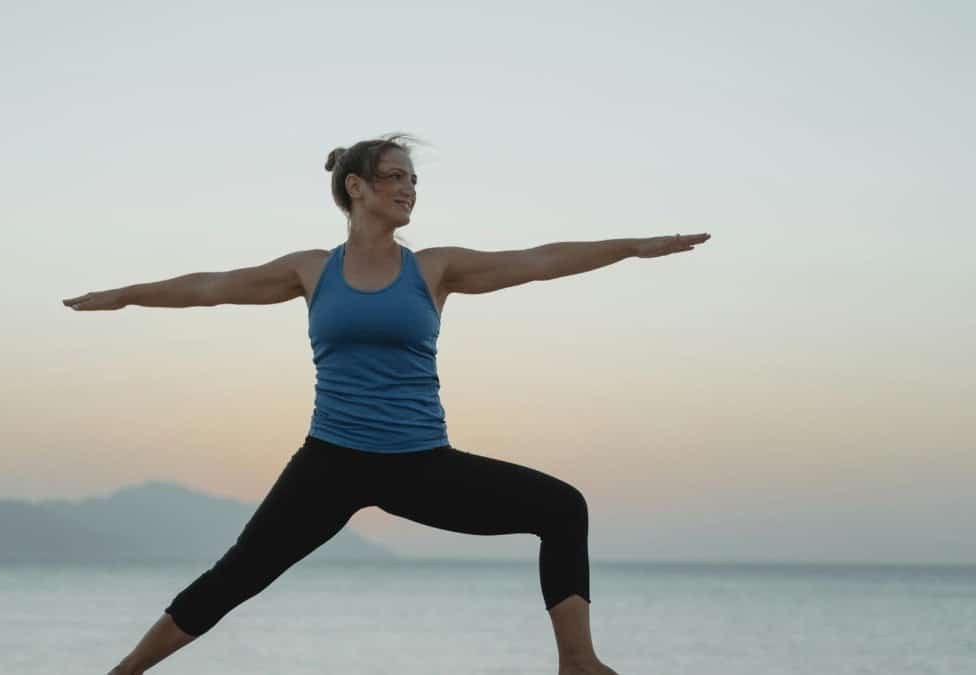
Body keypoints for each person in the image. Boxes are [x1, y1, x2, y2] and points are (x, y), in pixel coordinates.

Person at [63, 134, 710, 675]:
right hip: (331, 460)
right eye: (395, 176)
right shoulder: (311, 270)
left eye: (414, 180)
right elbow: (210, 287)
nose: (409, 189)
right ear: (356, 188)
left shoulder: (434, 268)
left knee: (562, 507)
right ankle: (124, 672)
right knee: (239, 573)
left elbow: (538, 260)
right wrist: (123, 294)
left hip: (419, 462)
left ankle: (578, 663)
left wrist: (630, 246)